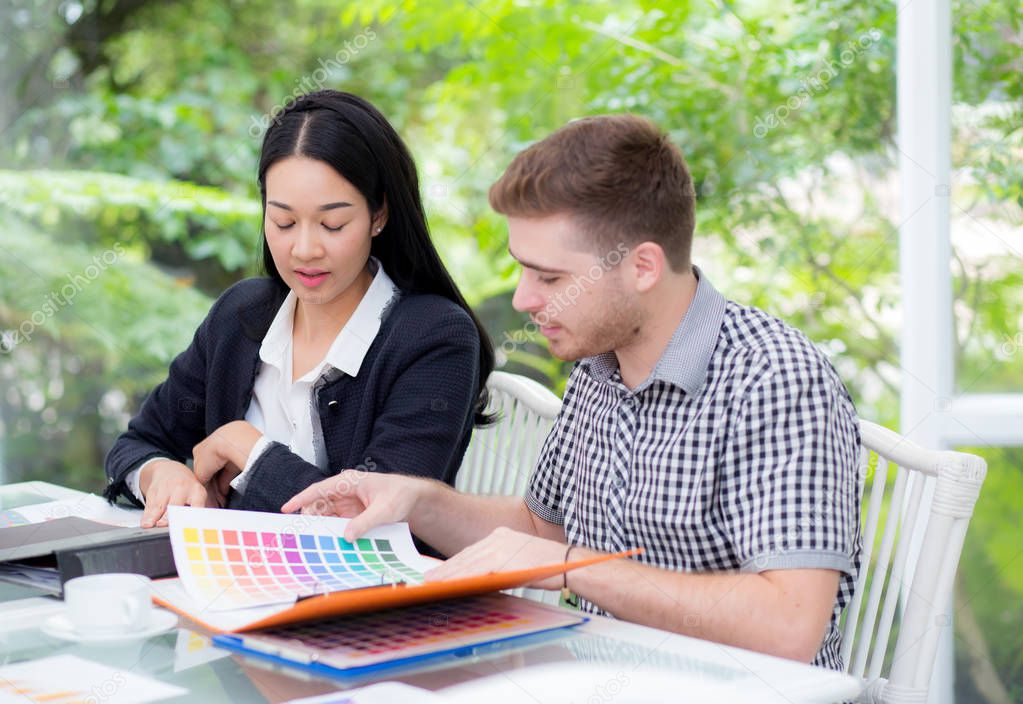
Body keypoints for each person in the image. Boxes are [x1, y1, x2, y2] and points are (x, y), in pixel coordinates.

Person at [283, 114, 862, 670]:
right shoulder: (597, 364)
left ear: (642, 267)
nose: (523, 299)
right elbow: (542, 529)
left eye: (550, 277)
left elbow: (790, 625)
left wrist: (569, 566)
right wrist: (417, 501)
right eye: (523, 269)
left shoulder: (776, 378)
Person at [104, 90, 494, 529]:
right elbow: (137, 443)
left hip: (365, 595)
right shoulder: (240, 314)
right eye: (283, 222)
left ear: (379, 213)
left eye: (333, 224)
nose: (304, 249)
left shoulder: (436, 338)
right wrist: (161, 473)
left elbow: (374, 524)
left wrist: (248, 450)